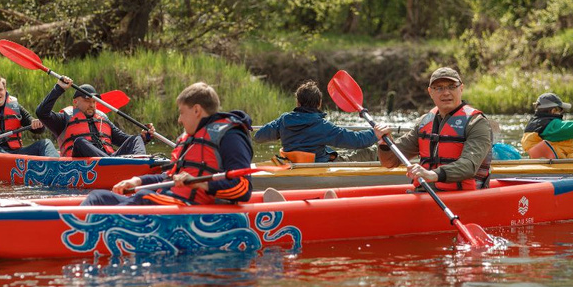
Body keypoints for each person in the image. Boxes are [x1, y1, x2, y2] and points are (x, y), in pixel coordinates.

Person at [82, 82, 253, 206]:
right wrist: (138, 180)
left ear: (196, 110)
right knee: (99, 197)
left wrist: (200, 183)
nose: (179, 120)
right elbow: (170, 177)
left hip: (195, 208)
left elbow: (242, 189)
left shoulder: (231, 136)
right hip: (170, 200)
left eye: (181, 113)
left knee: (144, 198)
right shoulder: (189, 139)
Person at [377, 67, 492, 190]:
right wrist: (385, 143)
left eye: (452, 86)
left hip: (464, 196)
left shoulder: (477, 123)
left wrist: (432, 174)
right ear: (430, 92)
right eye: (439, 88)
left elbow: (469, 165)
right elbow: (389, 161)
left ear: (461, 88)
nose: (446, 92)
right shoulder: (424, 122)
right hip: (426, 192)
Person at [254, 80, 391, 163]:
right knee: (371, 151)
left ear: (298, 102)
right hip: (318, 165)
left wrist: (278, 128)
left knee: (336, 154)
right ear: (319, 104)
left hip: (293, 164)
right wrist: (375, 133)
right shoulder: (323, 126)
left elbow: (258, 137)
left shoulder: (283, 120)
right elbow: (356, 141)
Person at [35, 77, 152, 158]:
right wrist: (59, 88)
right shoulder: (63, 119)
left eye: (94, 102)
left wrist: (144, 137)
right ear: (75, 103)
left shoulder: (102, 119)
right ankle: (109, 163)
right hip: (84, 163)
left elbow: (125, 140)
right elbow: (41, 113)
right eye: (87, 101)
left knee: (135, 139)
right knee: (80, 142)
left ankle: (141, 162)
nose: (91, 105)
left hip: (111, 159)